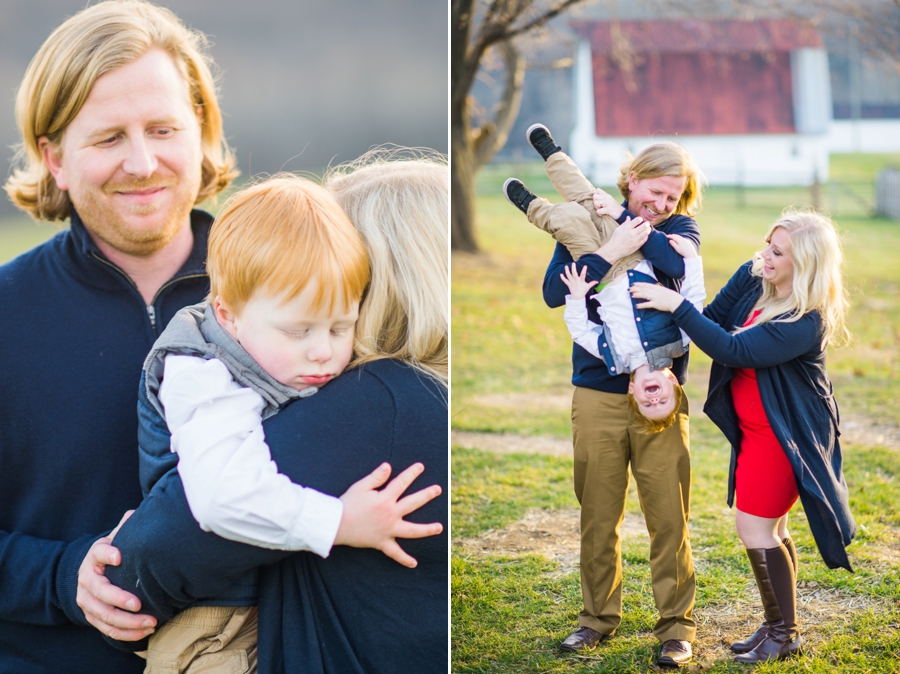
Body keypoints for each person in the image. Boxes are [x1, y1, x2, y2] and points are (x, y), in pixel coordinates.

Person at [0, 4, 439, 672]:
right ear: (56, 158)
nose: (143, 161)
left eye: (164, 128)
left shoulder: (301, 276)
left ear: (202, 130)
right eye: (109, 137)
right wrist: (61, 577)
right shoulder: (9, 310)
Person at [86, 152, 449, 674]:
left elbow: (160, 548)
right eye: (301, 327)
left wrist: (124, 568)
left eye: (341, 322)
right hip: (214, 616)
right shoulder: (206, 369)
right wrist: (338, 521)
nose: (322, 350)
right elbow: (207, 507)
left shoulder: (372, 401)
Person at [630, 209, 855, 664]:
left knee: (754, 527)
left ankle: (784, 631)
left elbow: (734, 348)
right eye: (768, 244)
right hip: (754, 431)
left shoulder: (807, 319)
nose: (765, 257)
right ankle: (779, 626)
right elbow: (710, 319)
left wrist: (676, 305)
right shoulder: (754, 278)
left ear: (806, 264)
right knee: (772, 527)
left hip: (786, 434)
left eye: (778, 253)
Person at [534, 125, 703, 667]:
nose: (661, 203)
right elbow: (553, 294)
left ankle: (676, 628)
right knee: (598, 512)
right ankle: (595, 619)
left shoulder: (678, 230)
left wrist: (636, 228)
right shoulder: (584, 225)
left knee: (667, 514)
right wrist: (609, 250)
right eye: (653, 191)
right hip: (598, 391)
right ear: (631, 180)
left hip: (660, 392)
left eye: (671, 197)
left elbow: (681, 274)